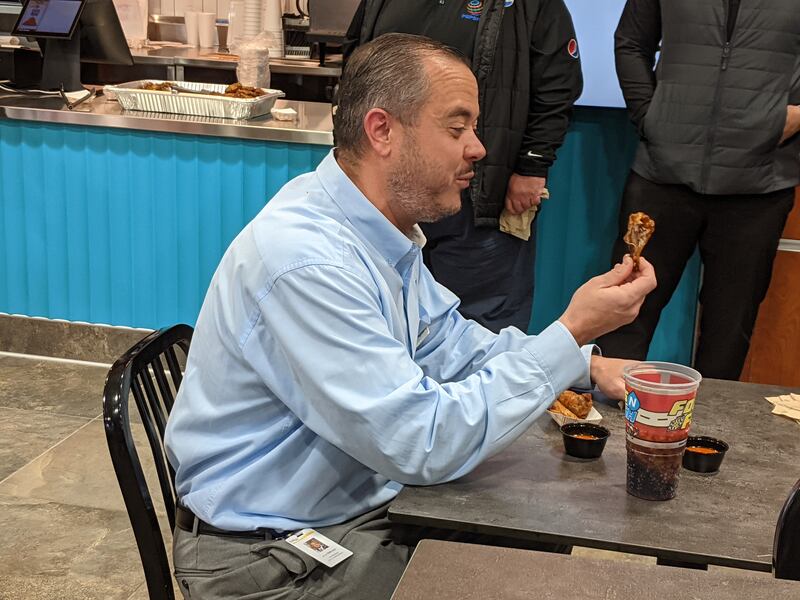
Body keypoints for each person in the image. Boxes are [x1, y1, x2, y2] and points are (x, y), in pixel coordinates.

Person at [164, 34, 656, 600]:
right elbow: (421, 442)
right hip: (265, 554)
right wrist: (572, 330)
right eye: (457, 127)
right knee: (534, 578)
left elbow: (451, 344)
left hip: (347, 506)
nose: (478, 148)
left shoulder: (376, 228)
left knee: (542, 538)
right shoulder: (308, 261)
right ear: (382, 131)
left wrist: (583, 364)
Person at [343, 0, 583, 333]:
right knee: (390, 315)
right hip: (392, 193)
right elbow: (356, 70)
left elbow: (557, 83)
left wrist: (533, 164)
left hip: (482, 193)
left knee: (480, 323)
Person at [597, 0, 800, 380]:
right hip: (661, 174)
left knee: (728, 332)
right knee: (625, 310)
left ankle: (710, 420)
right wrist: (650, 117)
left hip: (759, 184)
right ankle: (607, 413)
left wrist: (791, 115)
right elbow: (631, 42)